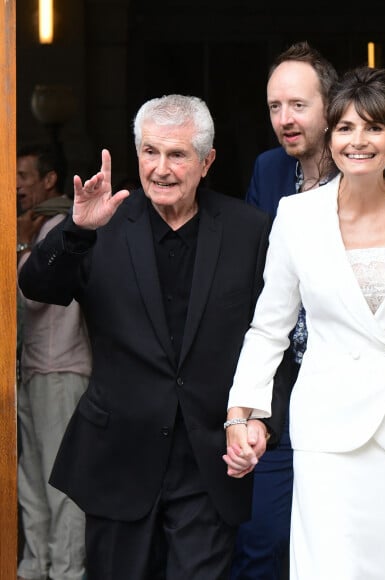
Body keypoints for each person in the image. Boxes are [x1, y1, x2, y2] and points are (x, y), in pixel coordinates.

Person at [223, 66, 385, 580]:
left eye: (374, 128)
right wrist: (240, 413)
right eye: (345, 128)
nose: (358, 141)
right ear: (330, 136)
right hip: (330, 436)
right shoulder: (295, 217)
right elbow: (269, 327)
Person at [18, 94, 281, 579]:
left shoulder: (251, 231)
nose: (161, 168)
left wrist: (261, 418)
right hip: (118, 456)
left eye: (177, 154)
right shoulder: (102, 221)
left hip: (209, 460)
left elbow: (274, 335)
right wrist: (75, 231)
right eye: (150, 152)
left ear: (207, 161)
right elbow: (37, 285)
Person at [230, 40, 338, 580]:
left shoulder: (371, 170)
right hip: (280, 383)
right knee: (262, 535)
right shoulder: (269, 170)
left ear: (330, 105)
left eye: (298, 105)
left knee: (339, 537)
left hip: (346, 385)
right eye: (275, 107)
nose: (285, 119)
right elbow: (255, 275)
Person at [16, 142, 90, 580]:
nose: (17, 185)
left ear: (48, 180)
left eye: (24, 176)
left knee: (59, 484)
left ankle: (64, 571)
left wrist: (22, 237)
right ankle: (33, 566)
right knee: (30, 482)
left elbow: (29, 295)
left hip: (61, 368)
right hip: (34, 369)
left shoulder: (61, 224)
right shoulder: (35, 223)